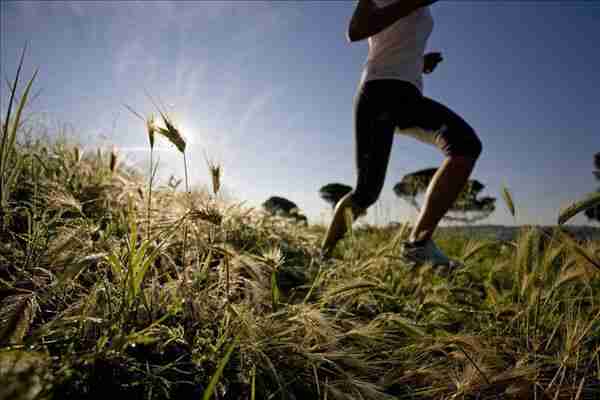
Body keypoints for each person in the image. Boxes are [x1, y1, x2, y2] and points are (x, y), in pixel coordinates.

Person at [321, 0, 482, 266]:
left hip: (408, 94)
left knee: (465, 145)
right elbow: (356, 30)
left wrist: (419, 62)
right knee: (367, 192)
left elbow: (394, 41)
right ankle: (322, 256)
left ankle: (418, 244)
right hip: (378, 92)